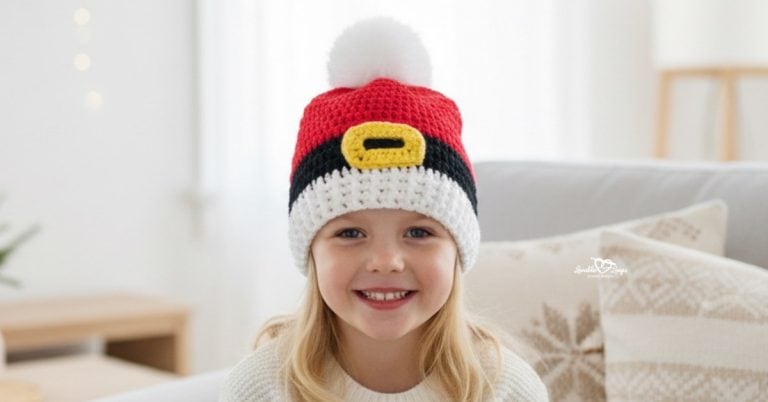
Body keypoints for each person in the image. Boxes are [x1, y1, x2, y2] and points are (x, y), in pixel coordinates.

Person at [219, 17, 549, 402]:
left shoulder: (505, 388)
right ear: (311, 251)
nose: (386, 261)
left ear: (458, 251)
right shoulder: (263, 387)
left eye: (419, 232)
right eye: (350, 233)